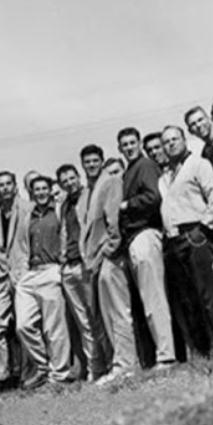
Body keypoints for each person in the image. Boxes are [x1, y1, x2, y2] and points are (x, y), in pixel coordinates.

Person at [159, 125, 213, 358]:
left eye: (175, 139)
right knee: (190, 299)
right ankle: (207, 349)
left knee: (210, 295)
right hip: (175, 239)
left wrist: (204, 227)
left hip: (196, 235)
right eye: (166, 141)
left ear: (184, 140)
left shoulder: (199, 165)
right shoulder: (165, 177)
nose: (171, 144)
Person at [117, 127, 176, 370]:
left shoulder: (145, 166)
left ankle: (167, 355)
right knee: (148, 299)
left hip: (145, 233)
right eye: (125, 144)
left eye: (132, 143)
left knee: (154, 299)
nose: (129, 147)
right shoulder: (129, 171)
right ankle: (162, 354)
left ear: (139, 143)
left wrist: (127, 204)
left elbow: (154, 197)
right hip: (133, 239)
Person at [79, 146, 136, 386]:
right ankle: (119, 363)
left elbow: (113, 221)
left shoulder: (111, 182)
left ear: (102, 162)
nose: (91, 165)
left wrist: (109, 251)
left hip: (108, 258)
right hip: (95, 261)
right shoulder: (88, 192)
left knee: (119, 312)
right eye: (87, 162)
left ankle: (126, 365)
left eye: (95, 161)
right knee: (106, 315)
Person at [14, 174, 72, 390]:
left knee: (54, 327)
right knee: (23, 325)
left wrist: (61, 265)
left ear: (49, 190)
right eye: (36, 189)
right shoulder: (27, 216)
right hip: (30, 274)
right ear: (31, 192)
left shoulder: (57, 211)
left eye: (43, 189)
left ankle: (60, 373)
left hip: (51, 270)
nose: (40, 193)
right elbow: (20, 245)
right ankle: (42, 366)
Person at [56, 162, 107, 381]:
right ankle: (94, 367)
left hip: (87, 263)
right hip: (69, 266)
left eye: (71, 178)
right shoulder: (64, 204)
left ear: (78, 176)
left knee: (97, 316)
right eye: (64, 180)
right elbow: (64, 233)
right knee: (83, 321)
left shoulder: (90, 196)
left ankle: (107, 362)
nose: (69, 183)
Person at [0, 170, 32, 390]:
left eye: (8, 184)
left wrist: (26, 266)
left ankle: (28, 373)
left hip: (22, 274)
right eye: (0, 185)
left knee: (24, 324)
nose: (5, 188)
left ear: (15, 186)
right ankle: (1, 374)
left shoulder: (27, 209)